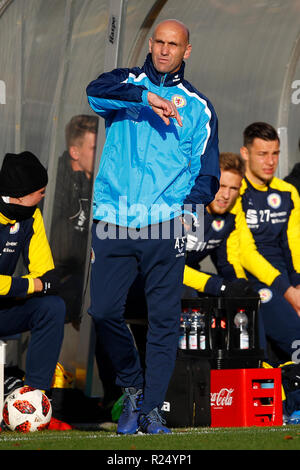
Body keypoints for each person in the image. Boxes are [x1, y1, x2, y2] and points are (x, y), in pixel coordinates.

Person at [86, 19, 220, 434]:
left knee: (164, 320)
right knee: (103, 309)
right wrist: (145, 98)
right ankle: (132, 389)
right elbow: (94, 92)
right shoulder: (124, 84)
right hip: (114, 218)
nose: (164, 50)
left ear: (187, 51)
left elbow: (208, 173)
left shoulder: (199, 107)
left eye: (173, 44)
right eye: (159, 42)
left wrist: (186, 209)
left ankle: (150, 411)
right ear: (150, 43)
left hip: (166, 224)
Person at [0, 151, 66, 394]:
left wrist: (24, 286)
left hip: (4, 307)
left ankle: (35, 398)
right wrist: (31, 285)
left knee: (52, 307)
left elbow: (47, 276)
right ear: (19, 196)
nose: (44, 195)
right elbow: (38, 282)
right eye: (40, 191)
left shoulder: (31, 215)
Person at [238, 122, 300, 360]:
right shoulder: (236, 191)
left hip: (287, 280)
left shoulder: (287, 192)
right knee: (293, 332)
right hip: (255, 280)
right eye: (262, 154)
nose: (270, 161)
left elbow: (294, 244)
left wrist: (297, 285)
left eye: (275, 154)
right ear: (246, 153)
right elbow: (246, 253)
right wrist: (288, 291)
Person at [183, 152, 258, 299]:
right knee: (191, 295)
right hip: (149, 278)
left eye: (233, 188)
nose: (226, 195)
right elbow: (169, 267)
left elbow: (227, 262)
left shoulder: (231, 215)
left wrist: (241, 285)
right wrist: (220, 287)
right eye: (221, 186)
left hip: (188, 275)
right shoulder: (186, 208)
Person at [50, 114, 98, 328]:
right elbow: (61, 247)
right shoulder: (55, 183)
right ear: (75, 152)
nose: (101, 154)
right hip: (57, 275)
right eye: (94, 148)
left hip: (83, 273)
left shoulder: (98, 183)